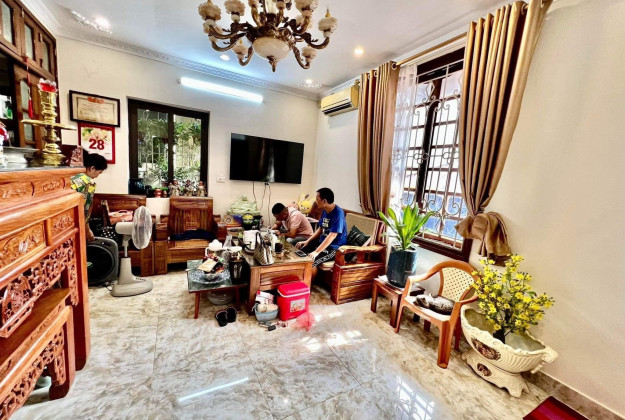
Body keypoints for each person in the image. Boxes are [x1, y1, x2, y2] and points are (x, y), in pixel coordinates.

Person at [296, 187, 347, 274]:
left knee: (310, 262)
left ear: (324, 201)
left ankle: (310, 282)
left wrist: (316, 252)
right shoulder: (325, 211)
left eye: (317, 199)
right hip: (322, 242)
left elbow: (332, 235)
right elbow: (320, 229)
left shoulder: (338, 213)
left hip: (334, 247)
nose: (316, 202)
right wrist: (307, 241)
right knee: (299, 252)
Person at [71, 149, 108, 242]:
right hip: (76, 222)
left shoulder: (72, 177)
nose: (98, 176)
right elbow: (85, 209)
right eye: (99, 172)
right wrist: (88, 231)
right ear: (92, 168)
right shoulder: (88, 183)